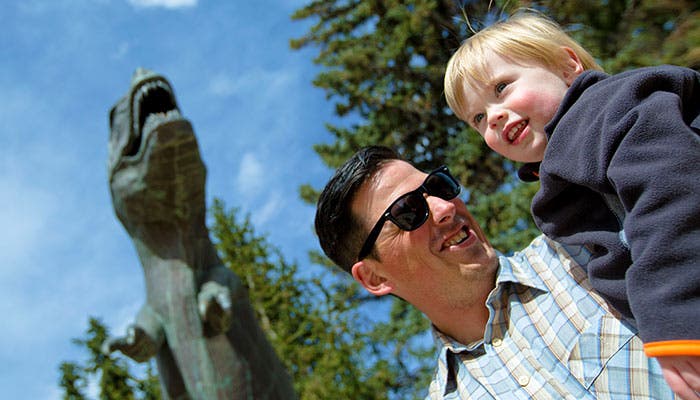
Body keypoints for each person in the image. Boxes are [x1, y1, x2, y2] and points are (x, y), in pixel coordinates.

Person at [443, 12, 700, 399]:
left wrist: (677, 317)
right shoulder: (562, 178)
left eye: (502, 87)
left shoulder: (607, 112)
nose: (493, 116)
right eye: (477, 117)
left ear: (568, 66)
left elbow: (671, 192)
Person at [315, 145, 678, 399]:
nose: (445, 207)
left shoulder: (588, 248)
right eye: (409, 211)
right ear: (375, 278)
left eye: (438, 187)